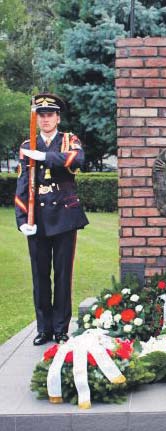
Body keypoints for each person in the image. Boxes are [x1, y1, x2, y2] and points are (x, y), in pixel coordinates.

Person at [15, 93, 89, 345]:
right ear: (36, 119)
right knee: (39, 276)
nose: (45, 119)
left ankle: (60, 329)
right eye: (41, 115)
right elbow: (23, 184)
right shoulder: (28, 144)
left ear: (58, 118)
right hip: (38, 219)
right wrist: (22, 218)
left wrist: (44, 157)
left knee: (62, 275)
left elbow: (77, 159)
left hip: (65, 217)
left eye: (50, 115)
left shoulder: (69, 140)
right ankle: (43, 329)